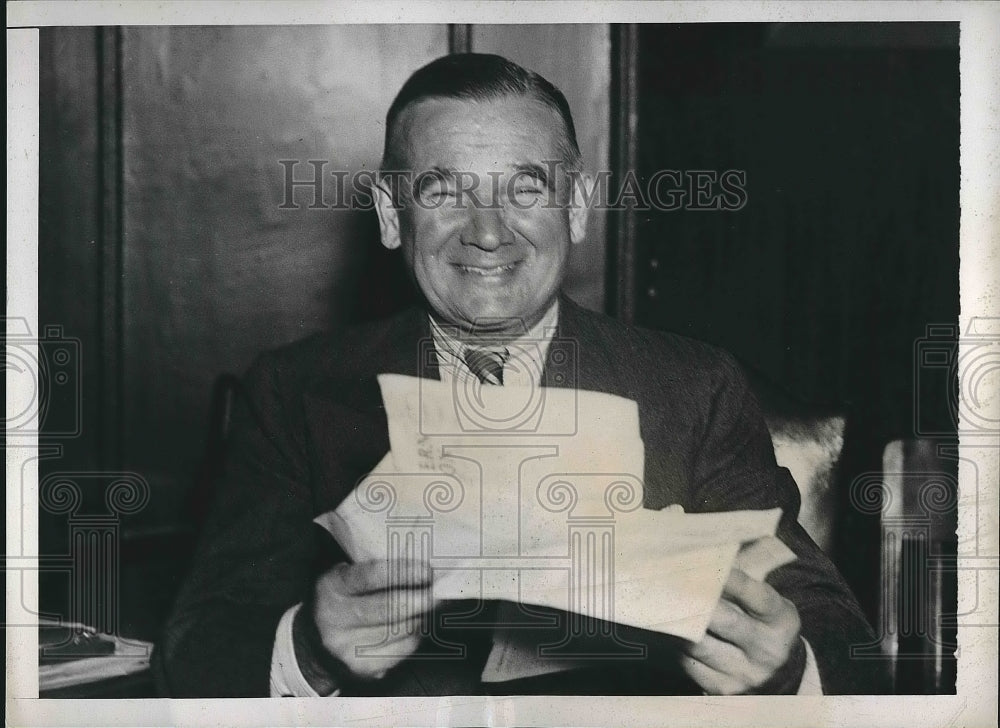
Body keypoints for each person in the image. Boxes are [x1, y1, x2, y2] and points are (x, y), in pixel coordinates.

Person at [155, 53, 887, 697]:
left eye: (526, 189)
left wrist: (786, 670)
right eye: (444, 191)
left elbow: (848, 647)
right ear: (389, 213)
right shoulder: (295, 392)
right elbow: (191, 656)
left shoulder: (694, 389)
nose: (488, 229)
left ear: (576, 208)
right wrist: (312, 650)